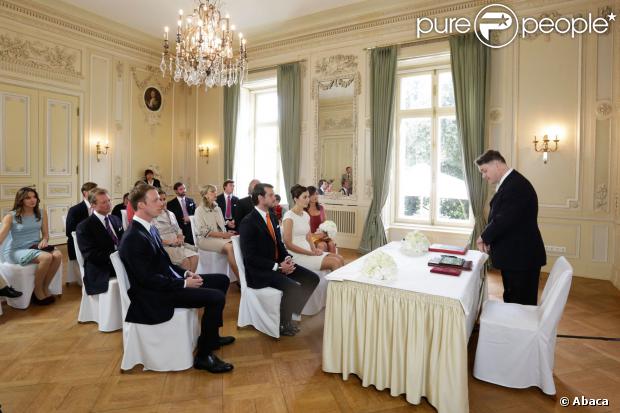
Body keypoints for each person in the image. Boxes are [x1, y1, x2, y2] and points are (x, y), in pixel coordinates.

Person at [118, 184, 234, 373]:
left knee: (221, 280)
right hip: (154, 296)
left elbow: (165, 265)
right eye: (155, 200)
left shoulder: (149, 229)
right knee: (216, 297)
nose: (161, 204)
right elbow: (147, 279)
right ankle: (204, 356)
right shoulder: (133, 237)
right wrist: (183, 284)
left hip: (165, 285)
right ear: (141, 205)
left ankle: (211, 337)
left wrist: (186, 274)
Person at [239, 183, 319, 336]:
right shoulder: (248, 222)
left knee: (312, 279)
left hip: (278, 264)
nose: (274, 197)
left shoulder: (272, 216)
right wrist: (278, 267)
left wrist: (287, 258)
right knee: (293, 287)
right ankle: (283, 323)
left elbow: (279, 244)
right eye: (270, 195)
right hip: (260, 272)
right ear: (260, 198)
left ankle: (291, 310)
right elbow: (250, 258)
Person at [476, 150, 546, 305]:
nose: (484, 176)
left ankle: (520, 330)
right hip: (516, 257)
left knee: (521, 306)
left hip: (522, 259)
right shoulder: (510, 183)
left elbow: (504, 219)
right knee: (512, 300)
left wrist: (484, 236)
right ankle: (511, 328)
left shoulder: (516, 186)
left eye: (484, 170)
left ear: (497, 164)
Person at [0, 187, 62, 305]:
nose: (32, 200)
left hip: (35, 246)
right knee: (46, 257)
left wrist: (44, 240)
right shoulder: (10, 216)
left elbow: (45, 234)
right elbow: (1, 237)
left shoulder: (41, 212)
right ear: (20, 200)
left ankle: (45, 286)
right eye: (28, 198)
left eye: (34, 197)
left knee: (58, 255)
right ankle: (37, 291)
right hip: (16, 250)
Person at [282, 185, 344, 272]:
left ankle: (337, 286)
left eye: (308, 196)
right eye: (304, 197)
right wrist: (310, 253)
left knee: (340, 258)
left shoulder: (306, 215)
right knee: (335, 262)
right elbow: (288, 244)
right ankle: (334, 286)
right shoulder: (289, 216)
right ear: (296, 199)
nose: (308, 199)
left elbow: (308, 237)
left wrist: (314, 249)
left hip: (308, 251)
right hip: (297, 255)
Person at [76, 188, 123, 295]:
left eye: (109, 201)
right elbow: (91, 255)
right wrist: (116, 258)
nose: (108, 204)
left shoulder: (115, 219)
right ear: (93, 205)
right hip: (102, 267)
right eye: (104, 202)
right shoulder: (84, 226)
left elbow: (123, 242)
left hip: (120, 261)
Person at [194, 185, 239, 279]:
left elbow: (222, 225)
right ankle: (240, 280)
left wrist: (227, 231)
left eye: (215, 191)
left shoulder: (217, 209)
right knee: (230, 247)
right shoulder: (199, 210)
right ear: (206, 195)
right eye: (212, 191)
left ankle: (239, 276)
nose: (215, 193)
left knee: (238, 243)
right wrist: (224, 235)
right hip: (205, 240)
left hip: (220, 238)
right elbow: (204, 232)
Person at [153, 189, 198, 273]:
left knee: (195, 257)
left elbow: (178, 229)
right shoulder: (152, 216)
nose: (163, 202)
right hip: (165, 247)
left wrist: (180, 237)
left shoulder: (171, 214)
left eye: (164, 199)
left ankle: (190, 281)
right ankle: (186, 282)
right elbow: (154, 238)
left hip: (178, 244)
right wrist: (170, 242)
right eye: (160, 199)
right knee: (185, 262)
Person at [66, 182, 98, 265]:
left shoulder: (99, 207)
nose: (96, 194)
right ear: (85, 193)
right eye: (93, 191)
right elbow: (70, 232)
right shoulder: (74, 210)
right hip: (82, 243)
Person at [306, 186, 337, 253]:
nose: (315, 196)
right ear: (308, 196)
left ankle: (333, 262)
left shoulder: (321, 208)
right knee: (322, 245)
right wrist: (316, 235)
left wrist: (325, 234)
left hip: (322, 235)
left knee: (331, 244)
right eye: (312, 195)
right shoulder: (304, 211)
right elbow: (305, 231)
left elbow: (325, 224)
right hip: (311, 237)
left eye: (316, 194)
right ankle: (322, 262)